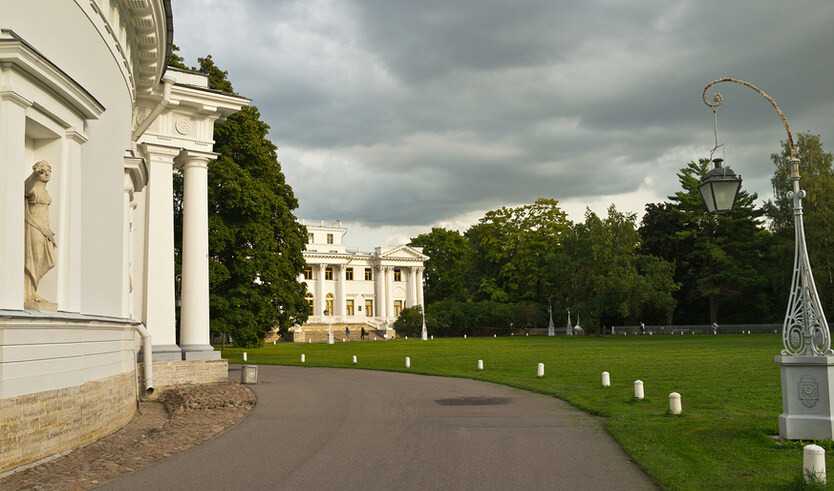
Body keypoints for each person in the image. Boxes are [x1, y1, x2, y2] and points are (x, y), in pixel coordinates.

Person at [24, 160, 56, 305]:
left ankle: (33, 290)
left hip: (45, 228)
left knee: (44, 259)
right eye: (43, 169)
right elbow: (26, 188)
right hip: (35, 226)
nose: (47, 172)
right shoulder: (33, 188)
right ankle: (30, 292)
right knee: (36, 258)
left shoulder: (45, 191)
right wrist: (35, 174)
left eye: (49, 169)